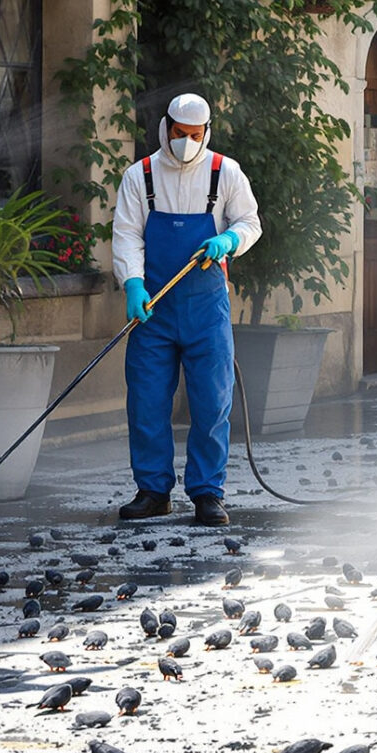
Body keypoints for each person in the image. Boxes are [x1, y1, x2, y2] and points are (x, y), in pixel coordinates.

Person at [112, 93, 261, 527]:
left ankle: (207, 492)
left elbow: (250, 222)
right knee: (146, 400)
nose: (187, 143)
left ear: (206, 133)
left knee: (212, 401)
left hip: (206, 308)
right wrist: (133, 283)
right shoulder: (140, 176)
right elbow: (127, 234)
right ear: (166, 128)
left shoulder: (224, 172)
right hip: (153, 307)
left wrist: (229, 240)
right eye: (180, 134)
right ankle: (153, 491)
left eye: (196, 135)